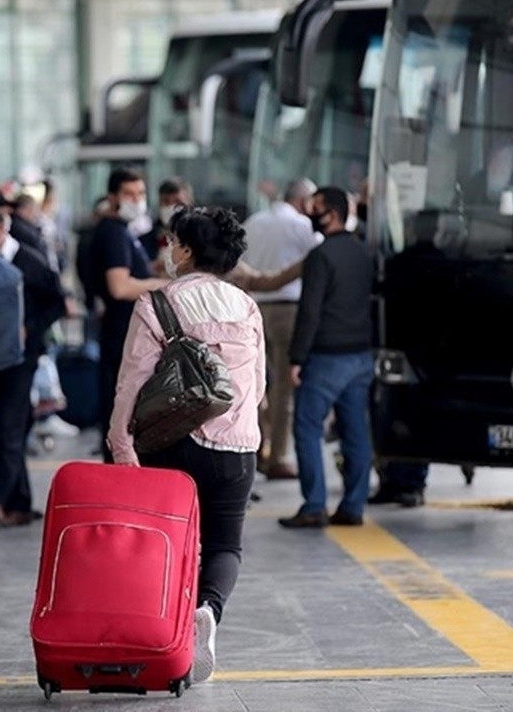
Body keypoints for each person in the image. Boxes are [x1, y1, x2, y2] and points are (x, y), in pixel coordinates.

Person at [107, 206, 264, 684]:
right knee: (225, 546)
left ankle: (168, 639)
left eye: (173, 242)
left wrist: (121, 443)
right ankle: (208, 610)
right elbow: (257, 387)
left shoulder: (158, 304)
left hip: (173, 444)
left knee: (170, 545)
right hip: (237, 447)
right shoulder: (246, 306)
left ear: (188, 250)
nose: (168, 250)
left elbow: (131, 382)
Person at [0, 205, 67, 527]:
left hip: (20, 359)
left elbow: (57, 302)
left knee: (8, 426)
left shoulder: (28, 263)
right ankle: (14, 501)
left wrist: (29, 327)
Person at [279, 187, 376, 529]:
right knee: (355, 432)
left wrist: (296, 357)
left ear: (332, 213)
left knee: (307, 427)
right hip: (361, 356)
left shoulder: (321, 256)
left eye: (316, 208)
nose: (310, 214)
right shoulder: (364, 252)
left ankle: (315, 504)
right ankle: (353, 506)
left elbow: (310, 311)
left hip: (326, 357)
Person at [240, 178, 320, 480]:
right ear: (302, 202)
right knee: (285, 386)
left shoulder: (254, 222)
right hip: (289, 311)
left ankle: (257, 450)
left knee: (257, 385)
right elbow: (319, 260)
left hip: (255, 309)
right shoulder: (302, 226)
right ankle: (279, 457)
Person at [88, 168, 167, 461]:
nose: (137, 200)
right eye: (129, 194)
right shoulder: (113, 233)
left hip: (125, 332)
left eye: (141, 194)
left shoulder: (124, 231)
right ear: (113, 197)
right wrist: (166, 286)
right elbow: (120, 286)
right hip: (121, 335)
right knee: (121, 411)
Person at [142, 178, 193, 262]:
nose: (171, 207)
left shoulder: (203, 239)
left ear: (189, 203)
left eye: (178, 202)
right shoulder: (145, 240)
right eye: (166, 202)